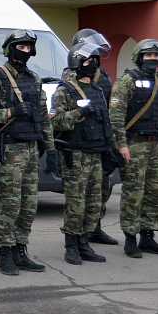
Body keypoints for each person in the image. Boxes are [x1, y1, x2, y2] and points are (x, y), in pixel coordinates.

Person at [0, 30, 60, 276]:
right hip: (10, 149)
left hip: (31, 149)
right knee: (10, 203)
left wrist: (51, 149)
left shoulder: (34, 79)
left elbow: (43, 117)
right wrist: (10, 112)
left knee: (28, 204)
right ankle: (5, 252)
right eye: (20, 47)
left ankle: (20, 250)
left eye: (28, 47)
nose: (24, 51)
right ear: (10, 49)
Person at [108, 39, 158, 258]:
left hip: (156, 145)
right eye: (148, 55)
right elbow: (116, 117)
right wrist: (121, 145)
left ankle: (147, 237)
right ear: (139, 57)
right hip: (134, 144)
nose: (153, 59)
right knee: (133, 193)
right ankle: (130, 238)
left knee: (155, 194)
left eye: (156, 56)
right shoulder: (127, 81)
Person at [51, 42, 114, 265]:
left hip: (96, 154)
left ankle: (84, 242)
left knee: (94, 203)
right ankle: (71, 246)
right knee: (76, 204)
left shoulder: (97, 90)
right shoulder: (65, 90)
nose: (92, 64)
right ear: (77, 63)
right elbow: (55, 121)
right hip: (76, 156)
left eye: (95, 61)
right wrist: (78, 112)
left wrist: (112, 148)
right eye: (88, 61)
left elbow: (106, 122)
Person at [71, 29, 119, 246]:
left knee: (102, 187)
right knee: (81, 193)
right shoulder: (72, 75)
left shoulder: (103, 75)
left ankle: (95, 226)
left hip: (102, 137)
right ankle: (79, 235)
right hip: (83, 140)